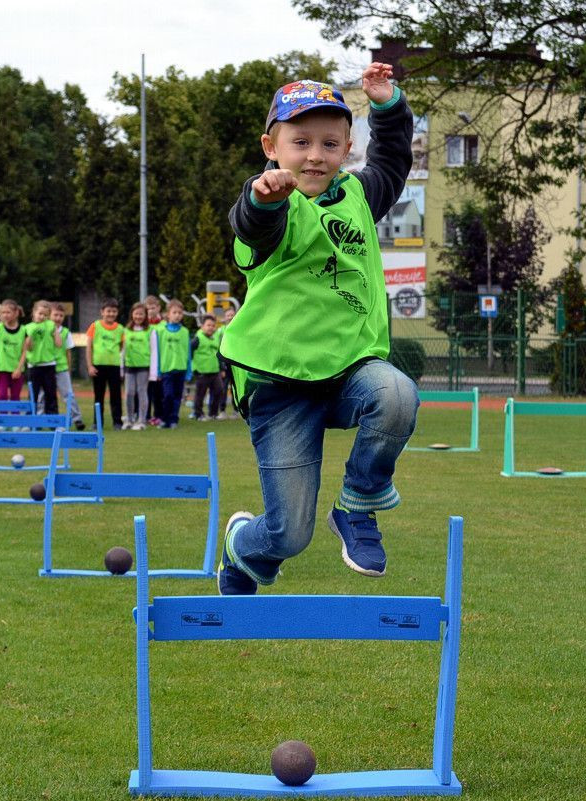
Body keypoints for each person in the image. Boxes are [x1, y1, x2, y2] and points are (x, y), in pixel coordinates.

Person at [216, 64, 418, 595]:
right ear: (271, 146)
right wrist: (264, 196)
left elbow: (393, 162)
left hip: (350, 369)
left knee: (396, 393)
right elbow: (251, 223)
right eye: (300, 141)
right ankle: (244, 547)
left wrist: (388, 104)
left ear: (348, 147)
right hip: (279, 384)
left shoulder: (357, 194)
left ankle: (357, 504)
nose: (314, 155)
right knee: (289, 533)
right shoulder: (275, 206)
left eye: (330, 144)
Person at [85, 298, 125, 429]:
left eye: (114, 311)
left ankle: (117, 422)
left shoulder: (120, 329)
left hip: (114, 366)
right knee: (98, 396)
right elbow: (89, 347)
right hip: (98, 366)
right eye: (108, 311)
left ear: (117, 313)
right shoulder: (95, 326)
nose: (111, 314)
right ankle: (97, 422)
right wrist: (90, 365)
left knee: (116, 396)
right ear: (102, 312)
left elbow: (121, 347)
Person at [155, 299, 191, 429]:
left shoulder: (185, 332)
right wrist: (157, 371)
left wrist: (189, 371)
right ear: (168, 314)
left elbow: (188, 352)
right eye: (174, 312)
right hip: (166, 370)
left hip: (181, 370)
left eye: (180, 313)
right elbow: (157, 352)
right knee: (167, 395)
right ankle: (164, 419)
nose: (177, 315)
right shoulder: (161, 331)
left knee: (177, 397)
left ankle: (174, 419)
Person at [122, 302, 158, 430]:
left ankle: (141, 421)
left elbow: (154, 351)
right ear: (132, 314)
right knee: (129, 392)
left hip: (144, 367)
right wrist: (121, 368)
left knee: (142, 392)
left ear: (145, 316)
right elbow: (123, 351)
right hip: (130, 367)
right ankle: (129, 419)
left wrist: (153, 373)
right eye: (136, 313)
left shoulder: (150, 331)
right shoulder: (126, 330)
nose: (138, 316)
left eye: (141, 314)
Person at [50, 303, 85, 430]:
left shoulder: (65, 332)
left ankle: (77, 418)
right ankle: (41, 419)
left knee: (68, 394)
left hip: (61, 368)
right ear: (50, 315)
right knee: (44, 396)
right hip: (46, 367)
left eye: (61, 315)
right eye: (55, 315)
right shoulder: (44, 330)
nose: (58, 318)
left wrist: (68, 369)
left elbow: (68, 352)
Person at [23, 300, 60, 414]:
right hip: (34, 366)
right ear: (34, 312)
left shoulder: (50, 325)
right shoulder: (27, 327)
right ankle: (31, 421)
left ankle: (53, 420)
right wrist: (30, 337)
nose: (42, 316)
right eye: (40, 313)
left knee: (51, 393)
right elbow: (28, 348)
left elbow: (58, 344)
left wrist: (55, 333)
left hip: (49, 364)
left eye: (45, 315)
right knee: (33, 393)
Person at [0, 299, 26, 401]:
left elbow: (24, 351)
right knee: (2, 396)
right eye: (3, 312)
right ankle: (2, 417)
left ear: (16, 313)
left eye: (8, 312)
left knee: (15, 397)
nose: (5, 315)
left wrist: (19, 368)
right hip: (2, 369)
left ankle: (15, 417)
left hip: (16, 370)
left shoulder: (24, 330)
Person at [189, 315, 224, 420]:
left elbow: (218, 354)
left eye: (213, 326)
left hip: (214, 372)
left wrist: (221, 369)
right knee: (200, 394)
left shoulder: (215, 339)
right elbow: (189, 353)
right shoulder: (197, 339)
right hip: (201, 372)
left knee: (219, 390)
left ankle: (213, 413)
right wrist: (193, 367)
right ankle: (198, 414)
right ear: (202, 326)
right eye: (208, 325)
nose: (211, 327)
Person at [143, 294, 164, 426]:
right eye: (148, 308)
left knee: (158, 391)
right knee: (145, 391)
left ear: (158, 308)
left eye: (153, 307)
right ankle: (145, 415)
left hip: (160, 363)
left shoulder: (164, 325)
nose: (151, 310)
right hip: (145, 363)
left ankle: (158, 415)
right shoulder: (143, 325)